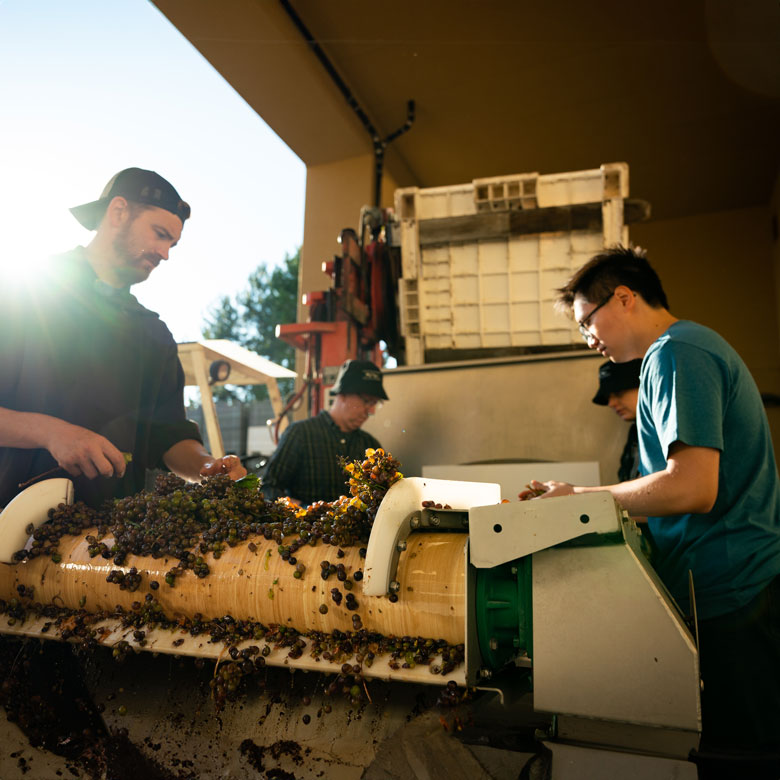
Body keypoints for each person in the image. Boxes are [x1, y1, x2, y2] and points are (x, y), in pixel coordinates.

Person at [532, 246, 780, 776]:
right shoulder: (680, 352)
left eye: (587, 323)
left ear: (624, 298)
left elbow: (692, 488)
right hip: (725, 588)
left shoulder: (678, 353)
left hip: (733, 595)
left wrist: (577, 500)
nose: (588, 339)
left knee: (743, 756)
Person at [0, 167, 245, 509]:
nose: (165, 253)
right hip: (8, 529)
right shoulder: (23, 289)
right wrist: (52, 433)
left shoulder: (154, 334)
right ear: (118, 212)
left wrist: (205, 466)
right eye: (159, 234)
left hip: (111, 542)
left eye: (172, 243)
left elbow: (168, 435)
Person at [262, 359, 388, 505]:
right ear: (343, 394)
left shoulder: (370, 445)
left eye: (374, 404)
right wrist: (300, 510)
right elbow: (268, 488)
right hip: (308, 527)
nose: (370, 411)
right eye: (366, 401)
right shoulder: (300, 434)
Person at [591, 358, 642, 481]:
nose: (611, 403)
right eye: (608, 397)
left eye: (619, 393)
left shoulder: (667, 429)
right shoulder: (635, 431)